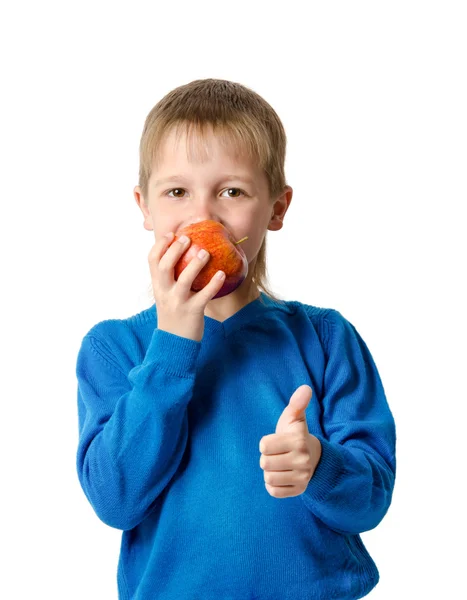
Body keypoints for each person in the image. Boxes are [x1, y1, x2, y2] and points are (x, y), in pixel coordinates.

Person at [75, 78, 397, 600]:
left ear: (277, 206)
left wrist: (319, 464)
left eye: (232, 191)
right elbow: (116, 500)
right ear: (145, 207)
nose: (203, 217)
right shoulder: (114, 349)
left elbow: (373, 498)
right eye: (177, 191)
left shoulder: (327, 337)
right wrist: (174, 341)